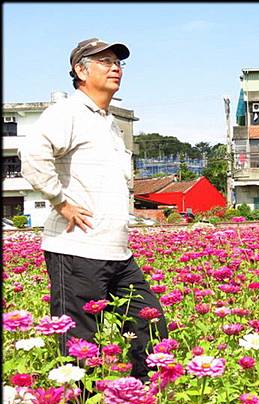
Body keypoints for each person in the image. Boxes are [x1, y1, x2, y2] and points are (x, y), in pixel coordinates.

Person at [18, 37, 168, 383]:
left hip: (117, 250)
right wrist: (60, 201)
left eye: (118, 62)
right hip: (76, 249)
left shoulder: (107, 120)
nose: (115, 67)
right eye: (104, 61)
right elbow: (33, 157)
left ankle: (143, 394)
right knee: (81, 339)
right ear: (80, 70)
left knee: (150, 320)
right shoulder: (67, 113)